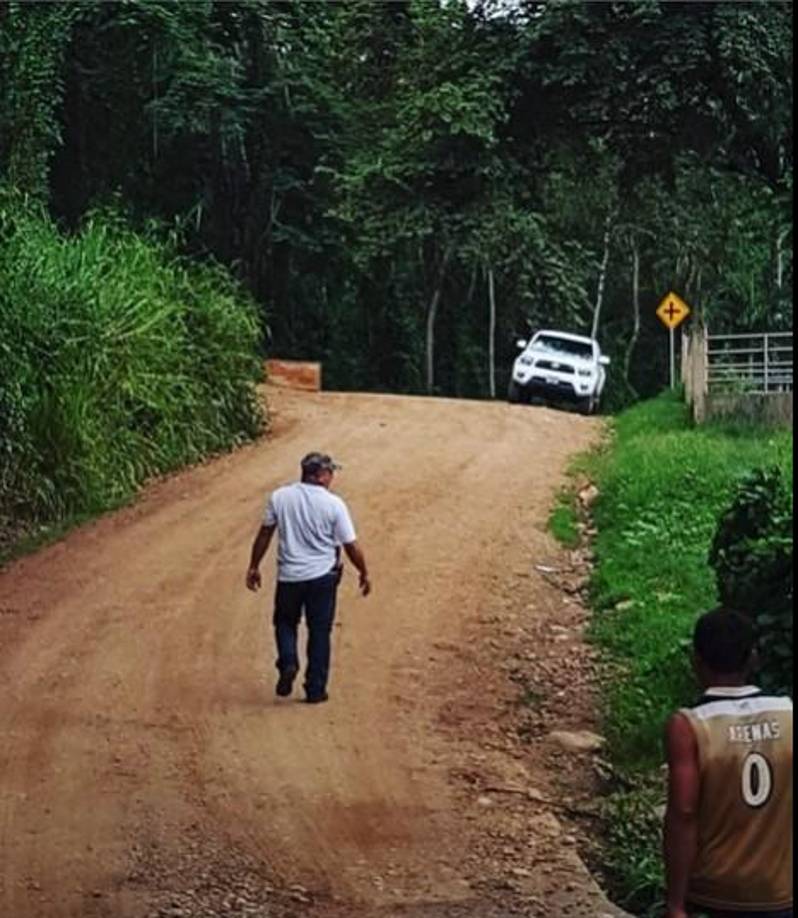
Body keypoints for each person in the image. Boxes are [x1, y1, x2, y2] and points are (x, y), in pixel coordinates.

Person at [664, 607, 793, 918]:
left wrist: (676, 903)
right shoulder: (788, 713)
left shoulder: (689, 726)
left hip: (713, 894)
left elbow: (683, 813)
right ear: (753, 659)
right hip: (780, 893)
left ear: (696, 661)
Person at [245, 451, 371, 704]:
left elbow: (265, 534)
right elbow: (350, 544)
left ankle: (288, 661)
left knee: (285, 622)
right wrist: (364, 571)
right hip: (323, 577)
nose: (332, 477)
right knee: (320, 631)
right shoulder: (334, 504)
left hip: (289, 576)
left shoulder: (280, 497)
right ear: (320, 475)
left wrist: (254, 566)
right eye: (330, 472)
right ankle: (315, 689)